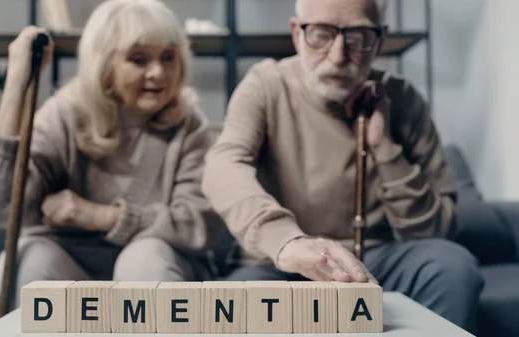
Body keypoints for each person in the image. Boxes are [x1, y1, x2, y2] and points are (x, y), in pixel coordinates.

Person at [202, 0, 483, 333]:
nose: (337, 56)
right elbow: (222, 167)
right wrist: (286, 241)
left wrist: (385, 147)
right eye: (321, 34)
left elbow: (438, 232)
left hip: (380, 262)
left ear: (380, 40)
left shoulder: (404, 98)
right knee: (235, 300)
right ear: (296, 34)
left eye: (358, 37)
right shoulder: (264, 85)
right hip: (281, 265)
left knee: (452, 267)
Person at [0, 0, 223, 309]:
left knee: (142, 259)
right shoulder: (65, 113)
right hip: (72, 263)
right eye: (139, 59)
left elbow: (198, 224)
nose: (158, 73)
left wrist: (99, 216)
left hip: (158, 266)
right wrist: (16, 84)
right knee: (32, 259)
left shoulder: (189, 124)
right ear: (104, 65)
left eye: (168, 57)